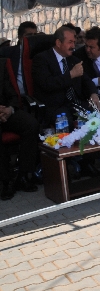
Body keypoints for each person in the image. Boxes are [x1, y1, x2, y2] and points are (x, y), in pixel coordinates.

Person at [1, 57, 39, 199]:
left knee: (31, 124)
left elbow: (11, 94)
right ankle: (5, 181)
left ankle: (24, 175)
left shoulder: (1, 64)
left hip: (4, 111)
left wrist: (10, 109)